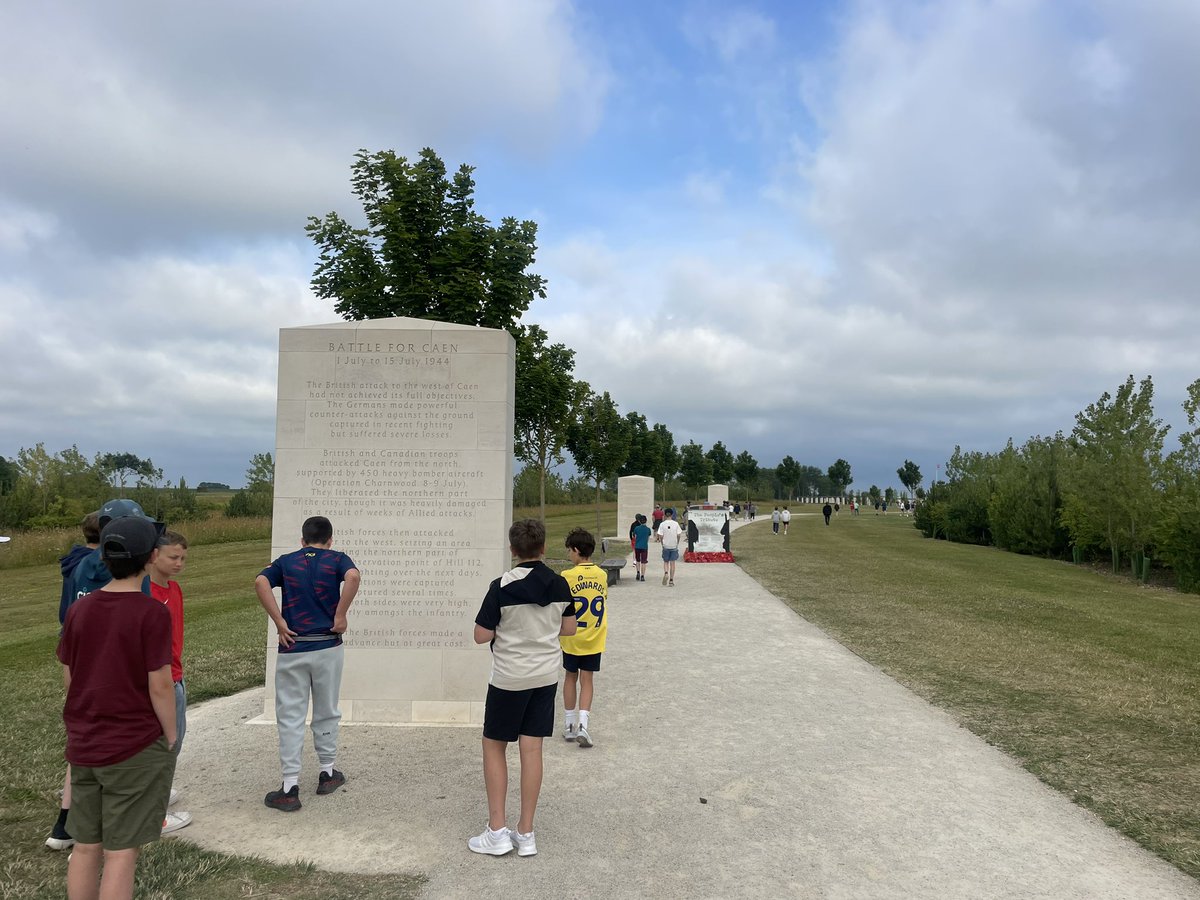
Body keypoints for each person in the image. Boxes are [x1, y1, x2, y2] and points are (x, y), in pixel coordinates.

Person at [57, 515, 177, 900]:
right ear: (151, 557)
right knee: (121, 852)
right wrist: (170, 734)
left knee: (85, 845)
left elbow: (70, 674)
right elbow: (159, 684)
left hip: (85, 742)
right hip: (133, 744)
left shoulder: (80, 609)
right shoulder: (151, 612)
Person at [48, 500, 157, 852]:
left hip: (82, 665)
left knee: (84, 748)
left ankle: (66, 825)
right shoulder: (130, 575)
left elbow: (67, 617)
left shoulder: (81, 565)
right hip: (117, 670)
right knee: (120, 751)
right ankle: (104, 829)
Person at [469, 519, 575, 857]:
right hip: (544, 676)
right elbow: (569, 629)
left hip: (509, 678)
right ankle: (526, 832)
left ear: (513, 550)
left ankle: (497, 830)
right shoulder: (560, 584)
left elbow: (481, 635)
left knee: (494, 745)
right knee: (532, 750)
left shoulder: (501, 586)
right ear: (543, 548)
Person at [255, 516, 360, 812]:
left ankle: (290, 786)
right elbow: (353, 577)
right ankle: (327, 772)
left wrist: (279, 622)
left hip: (294, 645)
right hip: (327, 645)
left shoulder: (286, 562)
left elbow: (260, 581)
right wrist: (340, 615)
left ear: (302, 540)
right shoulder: (336, 559)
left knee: (290, 715)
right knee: (327, 709)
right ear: (330, 539)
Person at [45, 512, 100, 852]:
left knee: (81, 740)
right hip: (93, 657)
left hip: (73, 651)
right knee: (93, 744)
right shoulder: (97, 567)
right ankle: (75, 823)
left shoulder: (74, 563)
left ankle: (64, 823)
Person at [146, 530, 193, 834]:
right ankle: (156, 813)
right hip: (162, 679)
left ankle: (158, 793)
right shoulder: (145, 594)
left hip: (176, 674)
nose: (179, 563)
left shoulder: (174, 589)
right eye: (173, 557)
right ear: (154, 555)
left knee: (174, 742)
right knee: (165, 743)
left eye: (183, 558)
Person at [560, 527, 607, 748]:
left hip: (572, 637)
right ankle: (583, 725)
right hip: (593, 637)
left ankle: (569, 725)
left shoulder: (567, 576)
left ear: (577, 550)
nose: (569, 554)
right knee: (587, 680)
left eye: (570, 550)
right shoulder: (602, 575)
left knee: (570, 677)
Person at [655, 507, 684, 586]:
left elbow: (660, 535)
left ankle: (666, 573)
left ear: (665, 515)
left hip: (666, 545)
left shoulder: (662, 524)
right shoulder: (676, 524)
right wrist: (677, 542)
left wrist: (662, 543)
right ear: (672, 514)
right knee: (672, 563)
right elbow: (679, 534)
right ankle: (671, 580)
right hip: (673, 545)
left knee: (666, 561)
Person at [632, 514, 653, 581]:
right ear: (646, 521)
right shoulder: (648, 529)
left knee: (638, 560)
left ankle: (638, 572)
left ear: (640, 521)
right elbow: (648, 538)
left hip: (637, 546)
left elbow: (634, 536)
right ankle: (642, 575)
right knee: (643, 561)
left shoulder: (636, 528)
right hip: (644, 546)